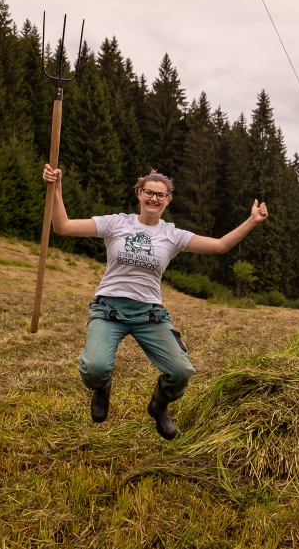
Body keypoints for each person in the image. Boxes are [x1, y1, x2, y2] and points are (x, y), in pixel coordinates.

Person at [42, 163, 268, 438]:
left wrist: (252, 221)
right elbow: (62, 226)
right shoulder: (116, 223)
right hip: (108, 309)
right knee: (95, 368)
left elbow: (220, 246)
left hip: (149, 314)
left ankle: (159, 406)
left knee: (181, 371)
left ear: (168, 200)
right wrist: (56, 187)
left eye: (161, 195)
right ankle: (102, 387)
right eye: (149, 192)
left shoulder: (173, 235)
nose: (154, 199)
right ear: (139, 193)